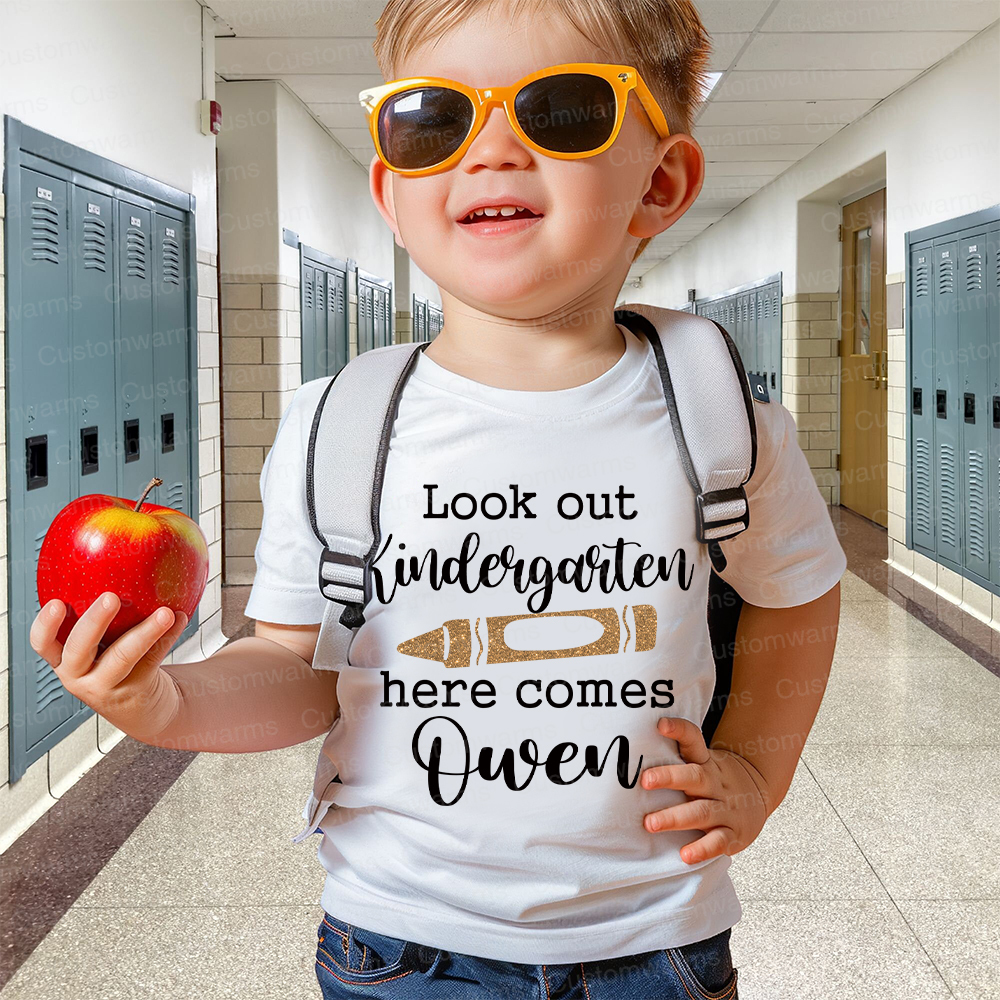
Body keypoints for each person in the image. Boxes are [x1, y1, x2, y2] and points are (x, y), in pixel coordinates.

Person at [31, 1, 847, 996]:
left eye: (562, 110)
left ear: (661, 182)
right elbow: (297, 671)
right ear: (391, 187)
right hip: (399, 941)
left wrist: (758, 770)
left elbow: (797, 590)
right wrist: (164, 702)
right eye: (434, 119)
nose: (492, 148)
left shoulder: (718, 415)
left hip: (655, 935)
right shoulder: (337, 427)